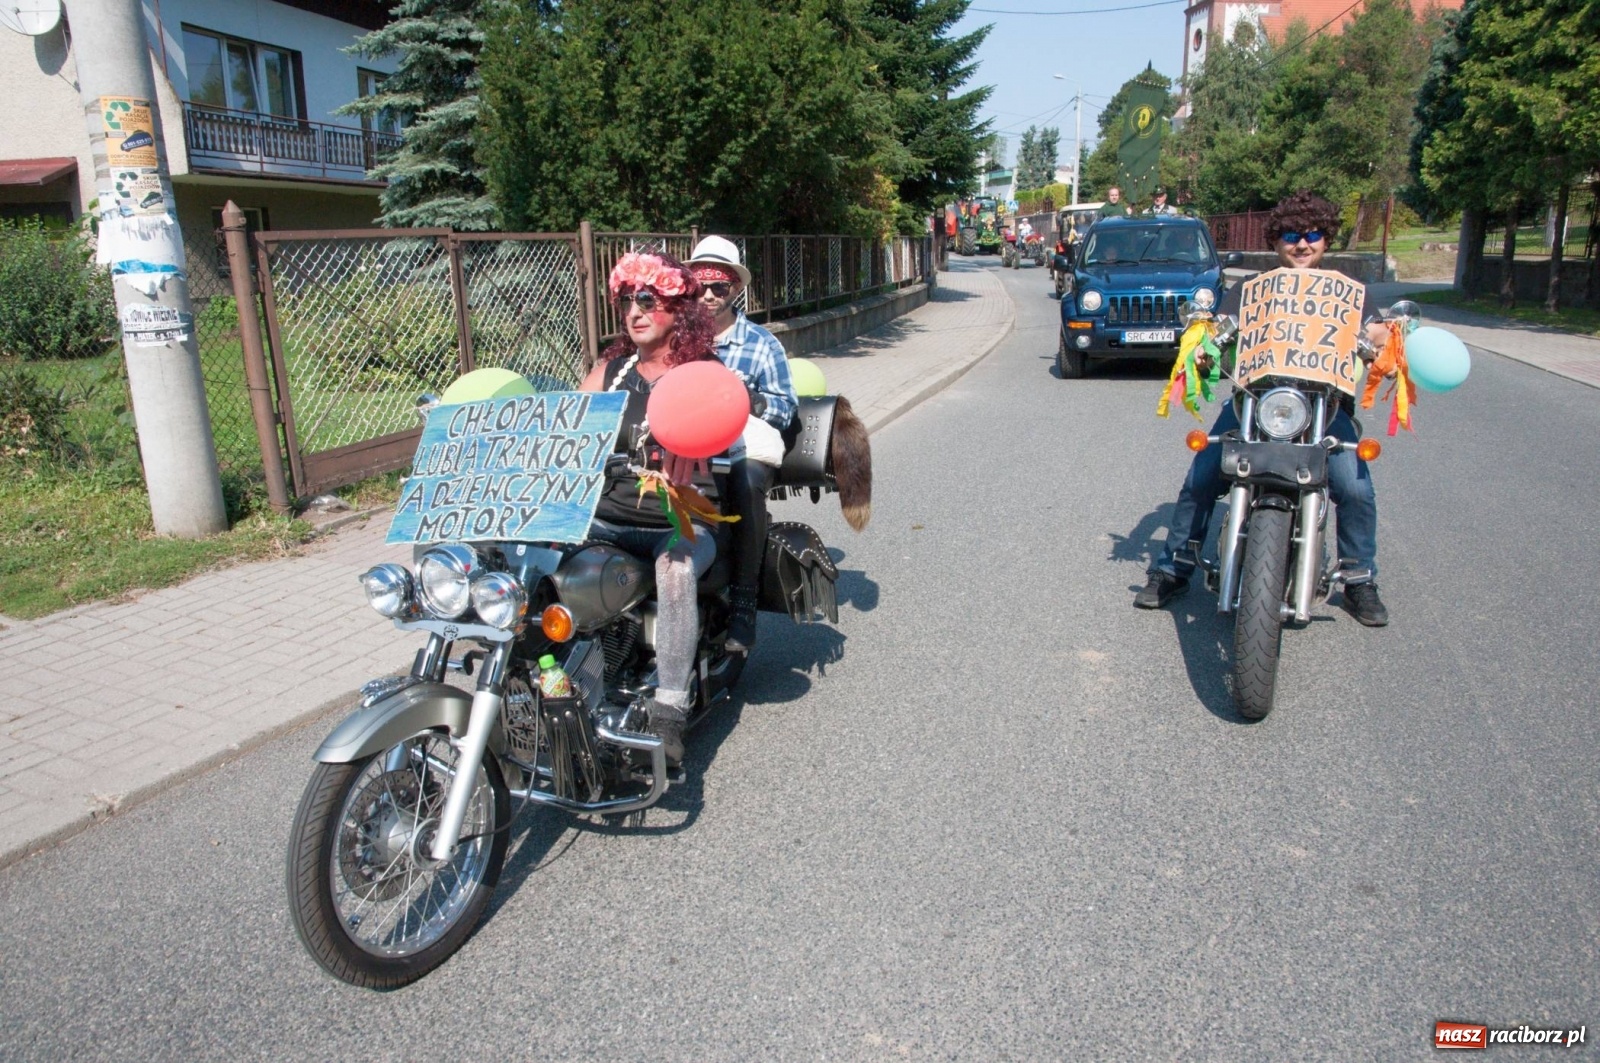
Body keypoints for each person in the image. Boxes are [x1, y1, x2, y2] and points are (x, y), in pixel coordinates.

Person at [1133, 190, 1393, 626]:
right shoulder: (1251, 291)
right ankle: (1172, 568)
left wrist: (1385, 339)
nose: (1302, 244)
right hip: (1257, 402)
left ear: (1326, 239)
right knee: (1201, 476)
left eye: (1313, 234)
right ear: (1276, 240)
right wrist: (1205, 348)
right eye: (1291, 234)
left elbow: (1376, 333)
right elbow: (1220, 330)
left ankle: (1359, 579)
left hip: (1325, 407)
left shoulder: (1346, 294)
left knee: (1354, 486)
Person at [579, 251, 726, 766]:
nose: (635, 311)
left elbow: (731, 406)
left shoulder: (701, 372)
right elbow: (567, 428)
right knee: (544, 558)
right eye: (627, 300)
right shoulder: (610, 371)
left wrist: (696, 433)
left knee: (676, 570)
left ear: (676, 309)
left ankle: (668, 711)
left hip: (679, 520)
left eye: (649, 299)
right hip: (609, 516)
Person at [686, 235, 798, 653]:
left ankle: (745, 601)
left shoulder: (761, 344)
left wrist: (747, 399)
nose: (709, 295)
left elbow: (786, 408)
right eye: (701, 285)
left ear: (735, 288)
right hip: (688, 445)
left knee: (746, 479)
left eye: (720, 286)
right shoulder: (677, 341)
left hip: (741, 447)